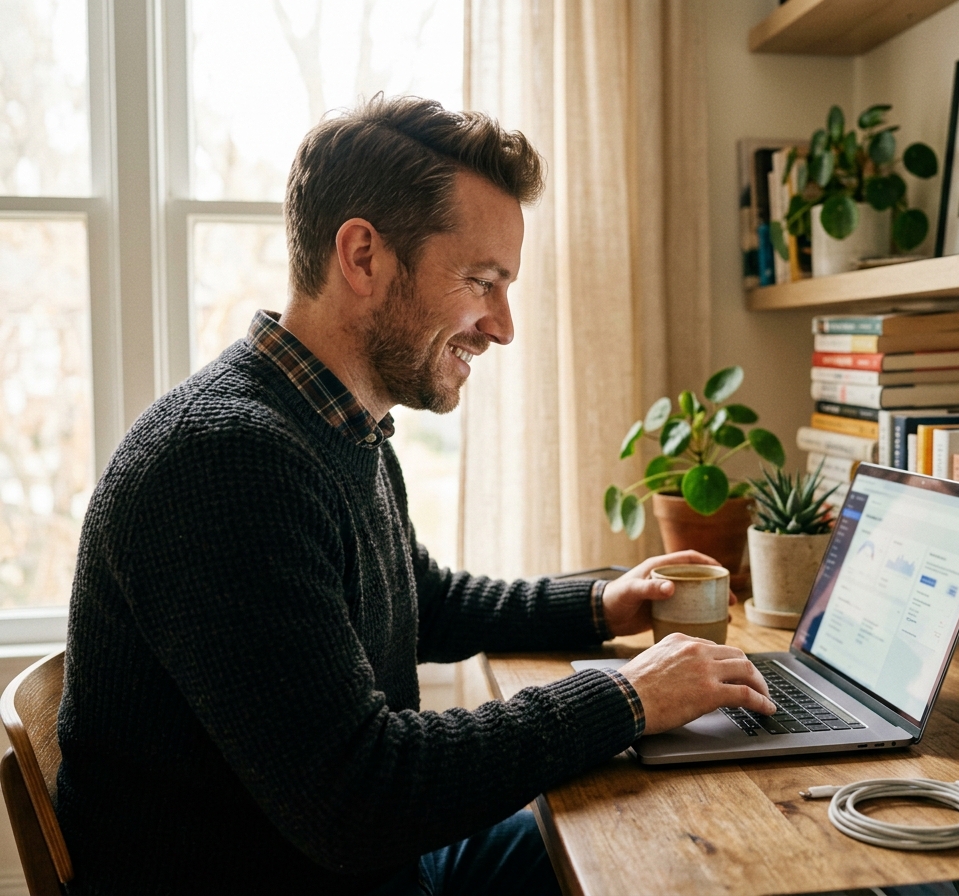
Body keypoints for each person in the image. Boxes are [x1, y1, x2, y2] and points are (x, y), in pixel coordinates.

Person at [56, 96, 775, 896]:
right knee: (674, 862)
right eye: (481, 281)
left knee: (655, 837)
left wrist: (606, 604)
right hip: (309, 871)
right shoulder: (228, 462)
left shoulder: (336, 423)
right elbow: (358, 797)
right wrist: (624, 696)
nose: (501, 327)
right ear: (363, 255)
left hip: (366, 863)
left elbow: (419, 601)